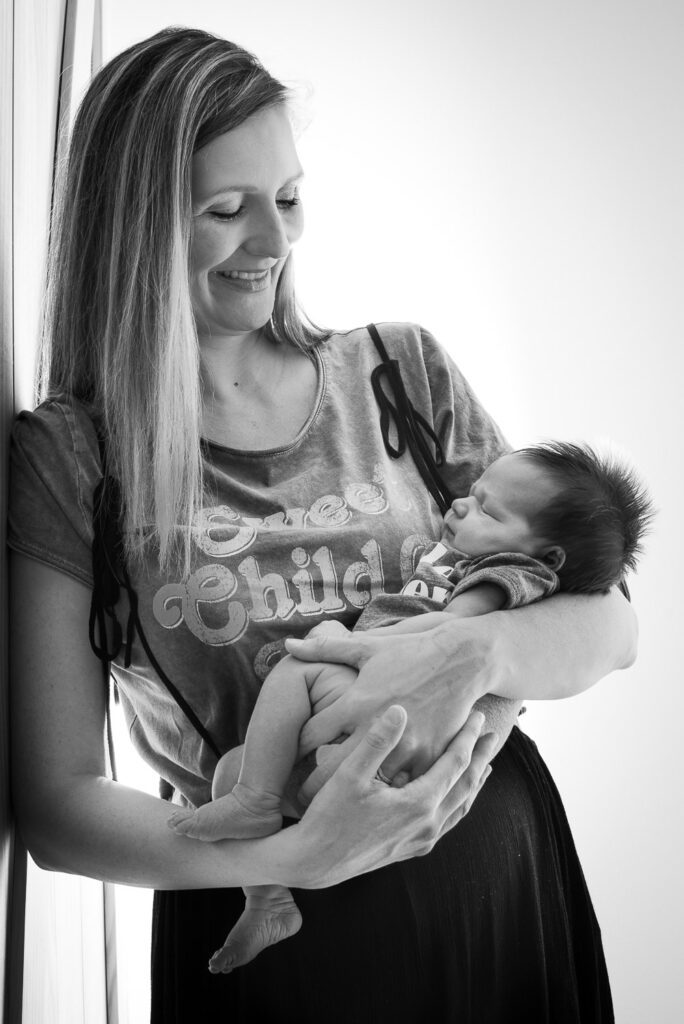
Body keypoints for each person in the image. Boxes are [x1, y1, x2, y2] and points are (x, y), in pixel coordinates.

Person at [7, 28, 639, 1023]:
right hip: (276, 955)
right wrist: (295, 853)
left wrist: (467, 657)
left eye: (289, 198)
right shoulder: (73, 461)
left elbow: (611, 623)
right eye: (227, 209)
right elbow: (56, 808)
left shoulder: (399, 376)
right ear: (134, 228)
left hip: (501, 900)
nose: (274, 242)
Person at [169, 441, 652, 975]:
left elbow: (454, 632)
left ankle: (257, 803)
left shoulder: (512, 572)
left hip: (393, 710)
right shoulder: (486, 553)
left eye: (488, 509)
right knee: (231, 770)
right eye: (471, 493)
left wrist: (363, 642)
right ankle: (267, 899)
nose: (461, 504)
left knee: (299, 665)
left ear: (550, 556)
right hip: (375, 724)